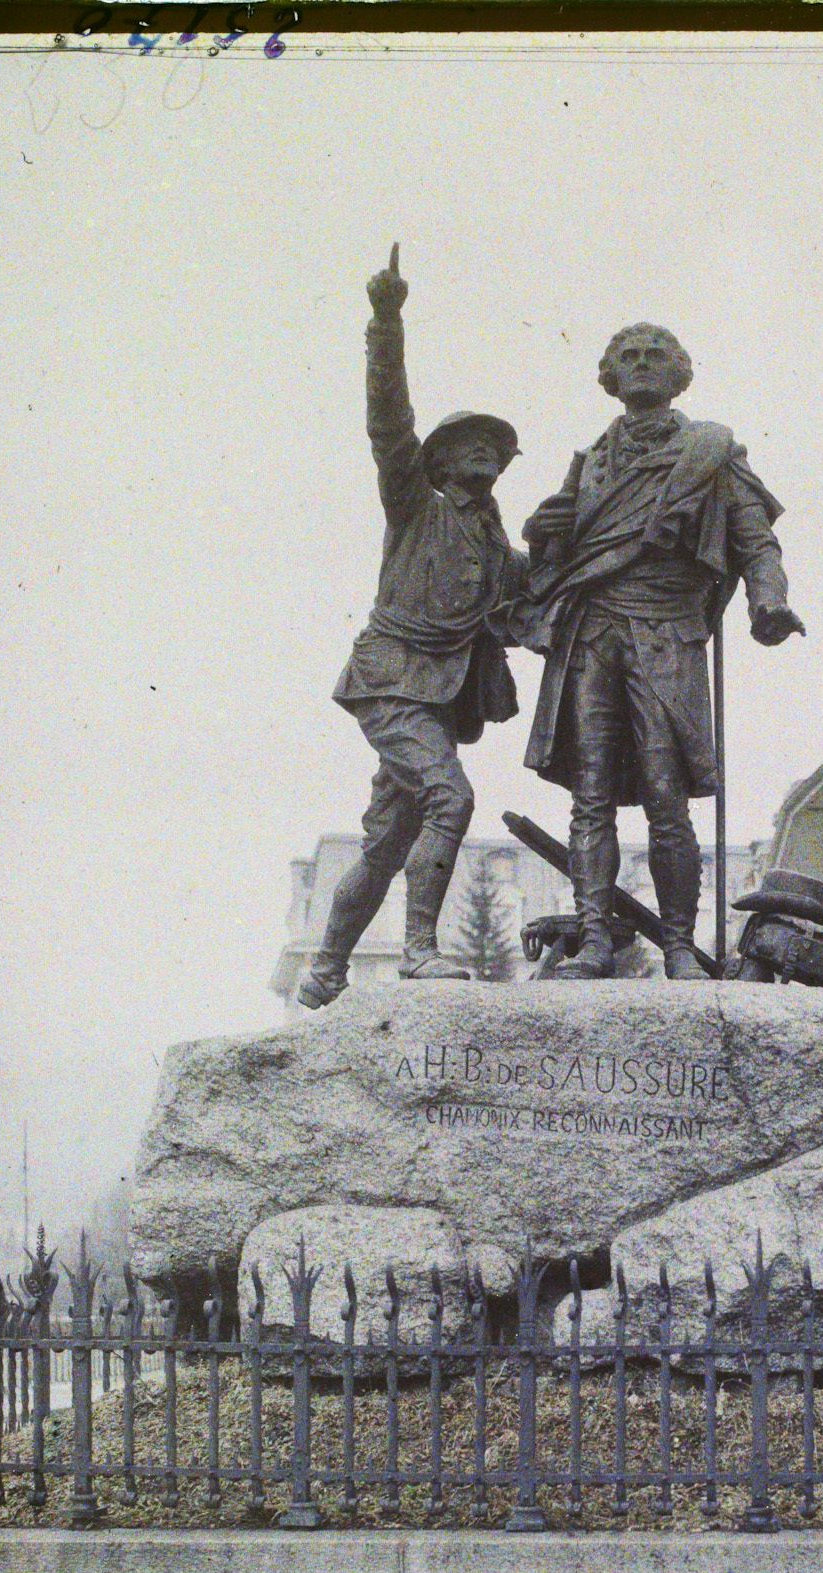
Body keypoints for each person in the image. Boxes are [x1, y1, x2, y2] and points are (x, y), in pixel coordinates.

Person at [518, 323, 804, 981]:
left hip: (667, 630)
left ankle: (678, 943)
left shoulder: (709, 451)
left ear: (679, 374)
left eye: (655, 356)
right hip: (589, 631)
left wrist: (768, 600)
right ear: (609, 375)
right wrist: (541, 539)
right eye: (628, 356)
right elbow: (556, 561)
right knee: (588, 792)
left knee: (664, 790)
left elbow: (755, 542)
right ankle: (594, 939)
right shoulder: (586, 462)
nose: (641, 365)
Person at [298, 246, 526, 1008]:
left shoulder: (499, 549)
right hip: (392, 681)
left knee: (390, 841)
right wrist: (386, 320)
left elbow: (545, 599)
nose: (487, 450)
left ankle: (327, 966)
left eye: (497, 444)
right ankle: (419, 953)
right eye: (472, 442)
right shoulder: (415, 508)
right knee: (450, 801)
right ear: (440, 461)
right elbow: (388, 421)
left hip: (435, 700)